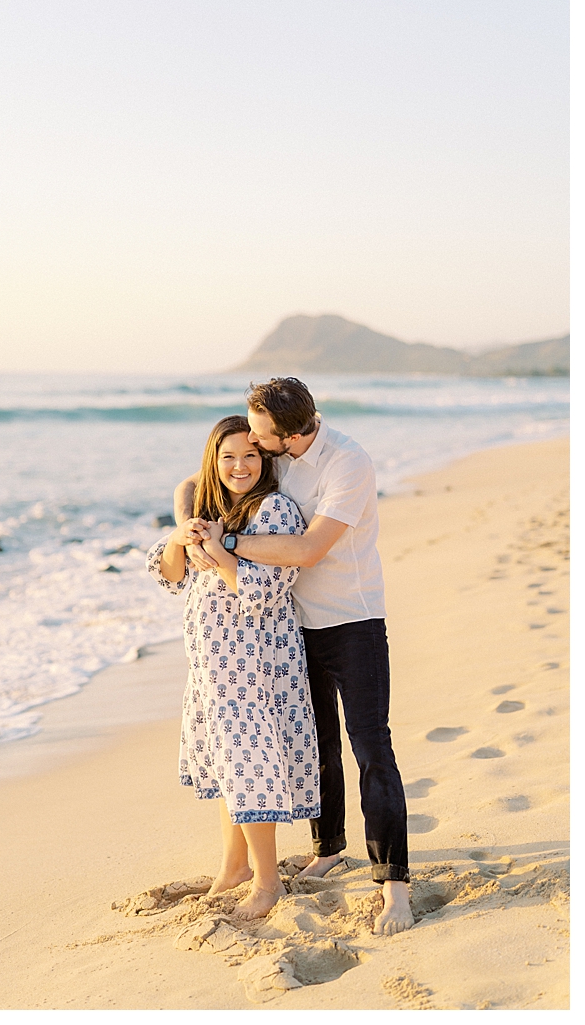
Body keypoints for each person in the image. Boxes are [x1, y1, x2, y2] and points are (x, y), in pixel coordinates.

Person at [174, 377, 413, 937]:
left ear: (292, 433)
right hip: (292, 625)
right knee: (316, 741)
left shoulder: (348, 463)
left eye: (260, 435)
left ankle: (395, 884)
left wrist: (223, 543)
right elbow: (197, 478)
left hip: (351, 620)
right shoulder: (278, 457)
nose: (253, 444)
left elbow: (307, 549)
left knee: (371, 746)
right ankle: (328, 848)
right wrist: (187, 524)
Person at [148, 415, 319, 920]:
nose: (239, 466)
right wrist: (182, 536)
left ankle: (267, 882)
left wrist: (220, 550)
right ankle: (233, 867)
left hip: (253, 662)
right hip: (212, 666)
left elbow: (265, 591)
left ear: (265, 459)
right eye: (228, 457)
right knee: (228, 764)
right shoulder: (209, 509)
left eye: (250, 455)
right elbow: (169, 576)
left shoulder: (276, 510)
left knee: (251, 763)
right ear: (213, 462)